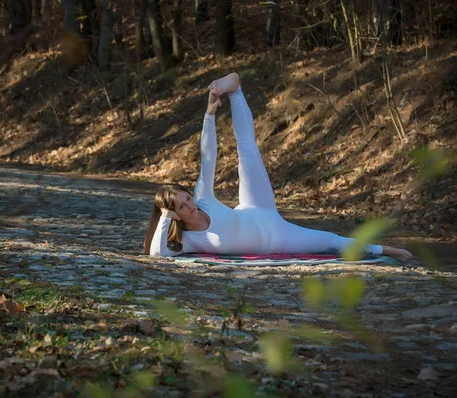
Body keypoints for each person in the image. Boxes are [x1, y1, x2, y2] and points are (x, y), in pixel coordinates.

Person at [143, 72, 412, 261]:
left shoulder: (204, 199)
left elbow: (208, 157)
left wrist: (209, 115)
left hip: (257, 209)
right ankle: (386, 249)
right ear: (173, 213)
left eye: (186, 198)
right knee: (331, 241)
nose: (190, 205)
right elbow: (157, 253)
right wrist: (165, 219)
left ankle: (234, 89)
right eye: (181, 206)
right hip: (279, 237)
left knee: (247, 152)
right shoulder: (188, 241)